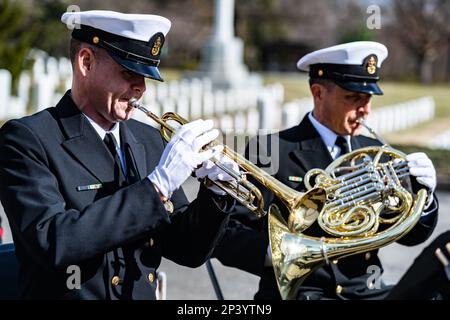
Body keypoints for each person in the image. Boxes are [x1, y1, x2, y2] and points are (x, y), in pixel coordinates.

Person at [0, 10, 238, 300]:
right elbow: (53, 242)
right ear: (85, 62)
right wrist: (156, 187)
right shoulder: (27, 139)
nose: (140, 87)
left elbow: (186, 250)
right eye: (128, 72)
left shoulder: (149, 139)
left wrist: (215, 195)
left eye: (146, 75)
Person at [212, 41, 439, 300]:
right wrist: (283, 253)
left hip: (366, 292)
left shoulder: (375, 150)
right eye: (353, 98)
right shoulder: (271, 149)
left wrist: (426, 198)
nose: (364, 109)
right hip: (304, 293)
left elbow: (410, 235)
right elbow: (227, 234)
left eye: (368, 99)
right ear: (318, 93)